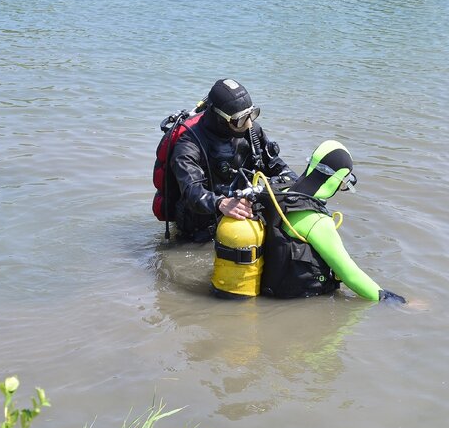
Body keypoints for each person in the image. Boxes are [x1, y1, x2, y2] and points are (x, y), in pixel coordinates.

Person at [259, 140, 405, 304]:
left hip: (268, 288)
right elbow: (350, 276)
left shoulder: (278, 193)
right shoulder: (318, 221)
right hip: (299, 300)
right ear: (336, 180)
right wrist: (391, 299)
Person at [170, 78, 294, 241]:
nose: (249, 124)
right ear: (219, 118)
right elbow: (191, 191)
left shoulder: (252, 133)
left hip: (242, 217)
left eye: (251, 115)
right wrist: (221, 203)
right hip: (199, 232)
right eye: (241, 119)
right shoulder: (188, 145)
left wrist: (292, 181)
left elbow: (275, 165)